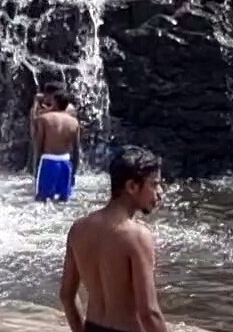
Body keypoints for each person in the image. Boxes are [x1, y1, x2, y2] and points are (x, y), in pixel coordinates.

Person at [60, 146, 167, 332]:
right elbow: (148, 312)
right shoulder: (137, 237)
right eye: (154, 184)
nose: (160, 192)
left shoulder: (79, 229)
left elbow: (66, 295)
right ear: (132, 187)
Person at [33, 92, 80, 202]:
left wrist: (36, 168)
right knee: (64, 201)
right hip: (66, 163)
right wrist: (74, 172)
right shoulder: (74, 122)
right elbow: (76, 150)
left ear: (54, 102)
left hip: (48, 161)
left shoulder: (43, 119)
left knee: (41, 200)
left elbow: (38, 145)